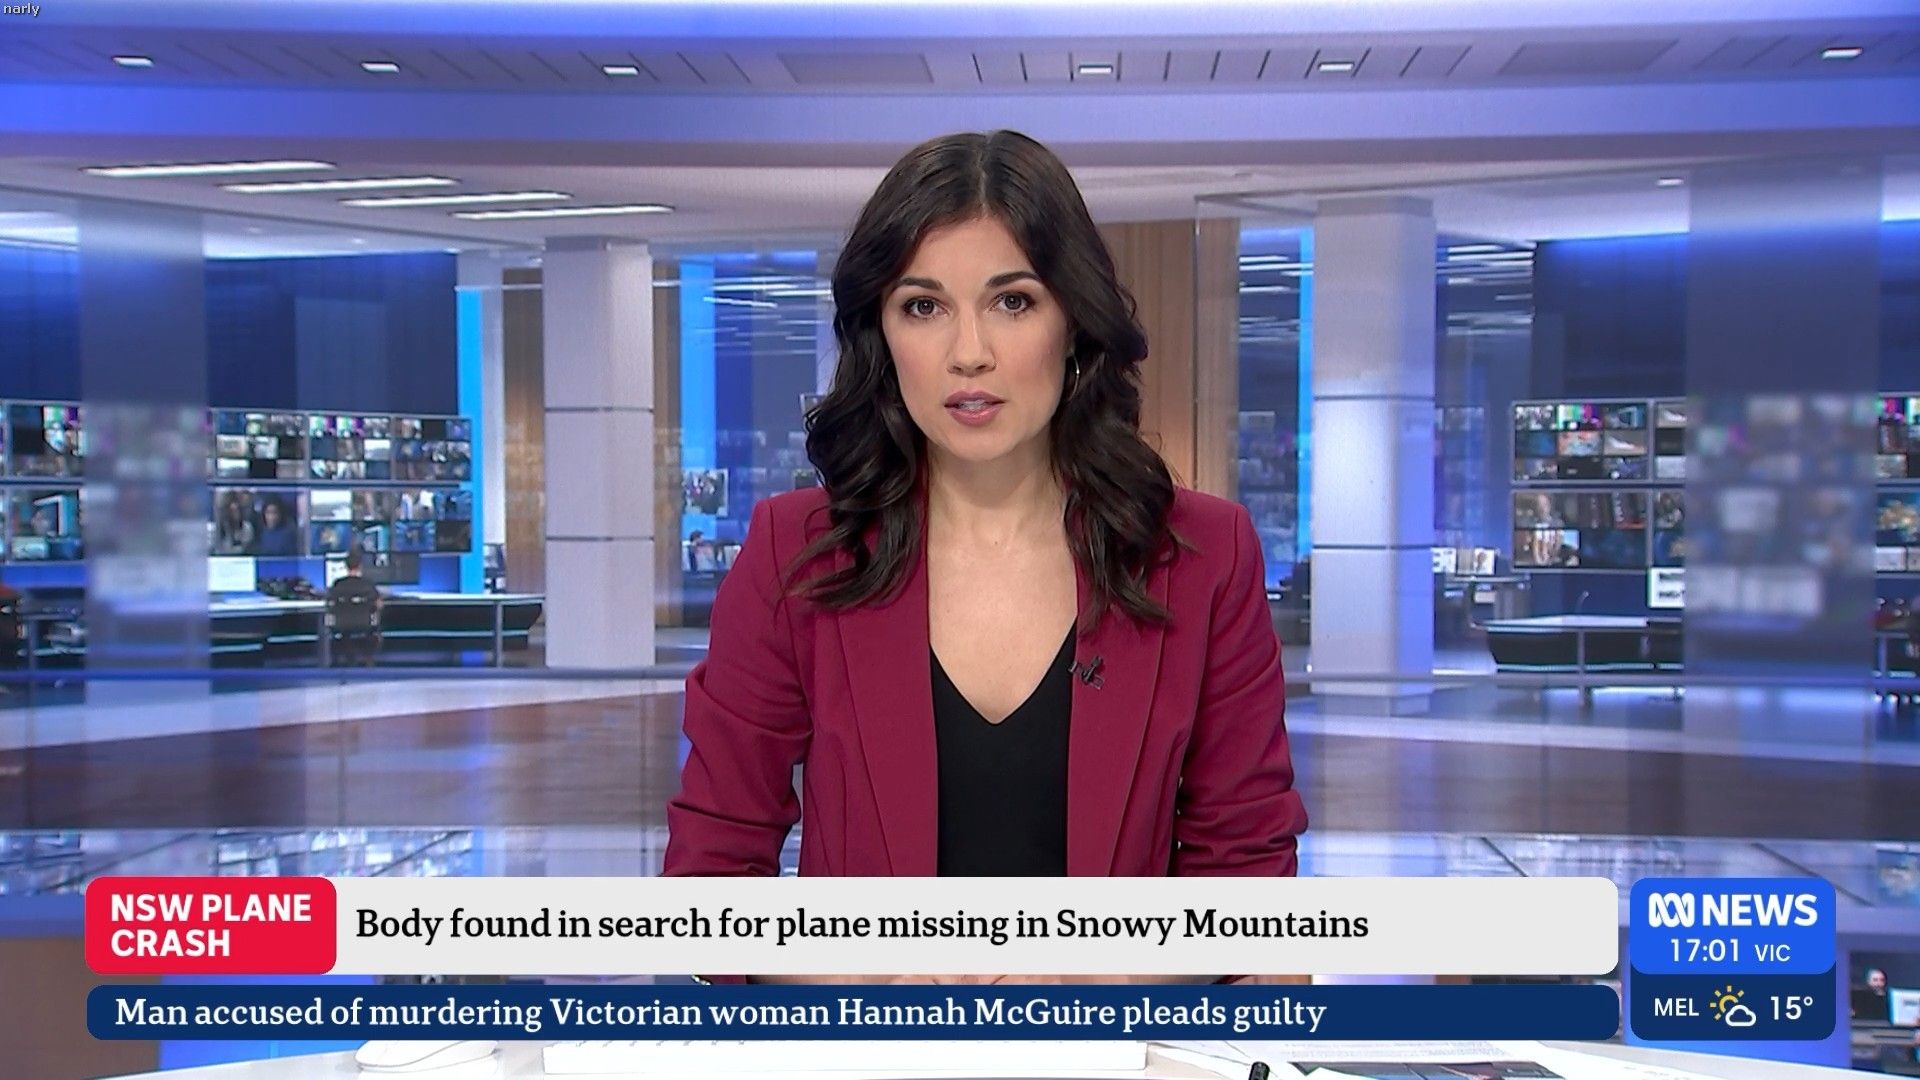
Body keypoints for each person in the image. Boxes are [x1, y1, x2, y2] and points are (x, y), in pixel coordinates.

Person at [663, 131, 1307, 983]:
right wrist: (855, 978)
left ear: (1073, 322)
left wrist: (1107, 982)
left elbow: (1254, 896)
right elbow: (709, 882)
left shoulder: (1201, 556)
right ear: (881, 332)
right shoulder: (798, 554)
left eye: (1012, 301)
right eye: (923, 307)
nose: (969, 352)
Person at [324, 549, 382, 666]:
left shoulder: (338, 584)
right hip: (364, 622)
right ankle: (368, 659)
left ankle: (346, 657)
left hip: (341, 624)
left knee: (341, 631)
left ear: (346, 566)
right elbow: (379, 604)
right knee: (375, 630)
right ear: (360, 565)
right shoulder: (368, 584)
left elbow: (329, 603)